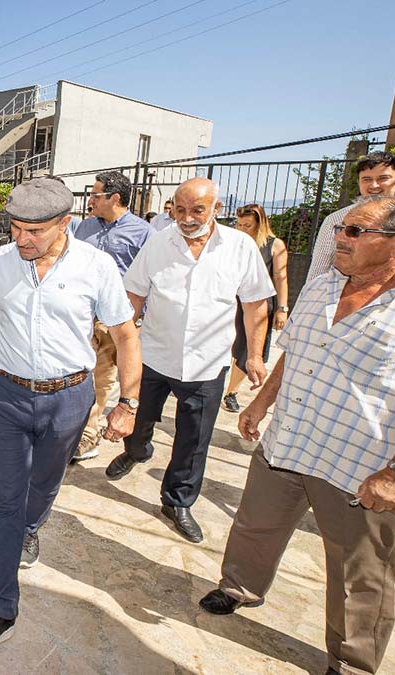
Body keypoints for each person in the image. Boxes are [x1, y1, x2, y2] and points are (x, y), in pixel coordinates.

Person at [202, 196, 395, 675]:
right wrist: (261, 402)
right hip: (289, 442)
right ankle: (239, 587)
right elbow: (295, 353)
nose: (339, 238)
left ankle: (352, 660)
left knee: (360, 572)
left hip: (362, 467)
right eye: (341, 229)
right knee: (256, 527)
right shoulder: (322, 287)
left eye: (356, 232)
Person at [0, 176, 142, 657]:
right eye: (15, 228)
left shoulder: (96, 266)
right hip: (5, 394)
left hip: (68, 397)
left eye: (33, 231)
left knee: (44, 482)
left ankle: (31, 528)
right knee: (4, 499)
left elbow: (124, 334)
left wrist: (128, 402)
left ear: (65, 224)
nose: (21, 239)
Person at [105, 177, 275, 543]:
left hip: (207, 363)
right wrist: (120, 339)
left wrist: (256, 356)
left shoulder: (240, 247)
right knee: (135, 420)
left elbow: (255, 305)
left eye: (197, 210)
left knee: (193, 439)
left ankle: (177, 500)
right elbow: (133, 293)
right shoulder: (157, 243)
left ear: (217, 209)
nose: (186, 217)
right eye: (180, 209)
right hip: (153, 354)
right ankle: (137, 452)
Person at [70, 171, 153, 462]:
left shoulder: (143, 233)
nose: (90, 200)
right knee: (74, 374)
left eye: (95, 194)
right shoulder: (83, 229)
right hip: (79, 313)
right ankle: (68, 433)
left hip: (113, 320)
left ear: (114, 198)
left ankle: (86, 437)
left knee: (100, 379)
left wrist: (139, 322)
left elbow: (151, 280)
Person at [306, 151, 395, 279]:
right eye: (366, 179)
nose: (374, 185)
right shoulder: (336, 219)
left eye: (383, 178)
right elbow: (319, 269)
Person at [223, 204, 288, 413]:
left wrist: (282, 308)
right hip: (231, 302)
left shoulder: (274, 245)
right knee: (229, 346)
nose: (242, 229)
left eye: (248, 225)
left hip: (258, 305)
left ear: (260, 224)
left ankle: (231, 392)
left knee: (248, 350)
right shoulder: (233, 243)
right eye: (239, 224)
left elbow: (280, 278)